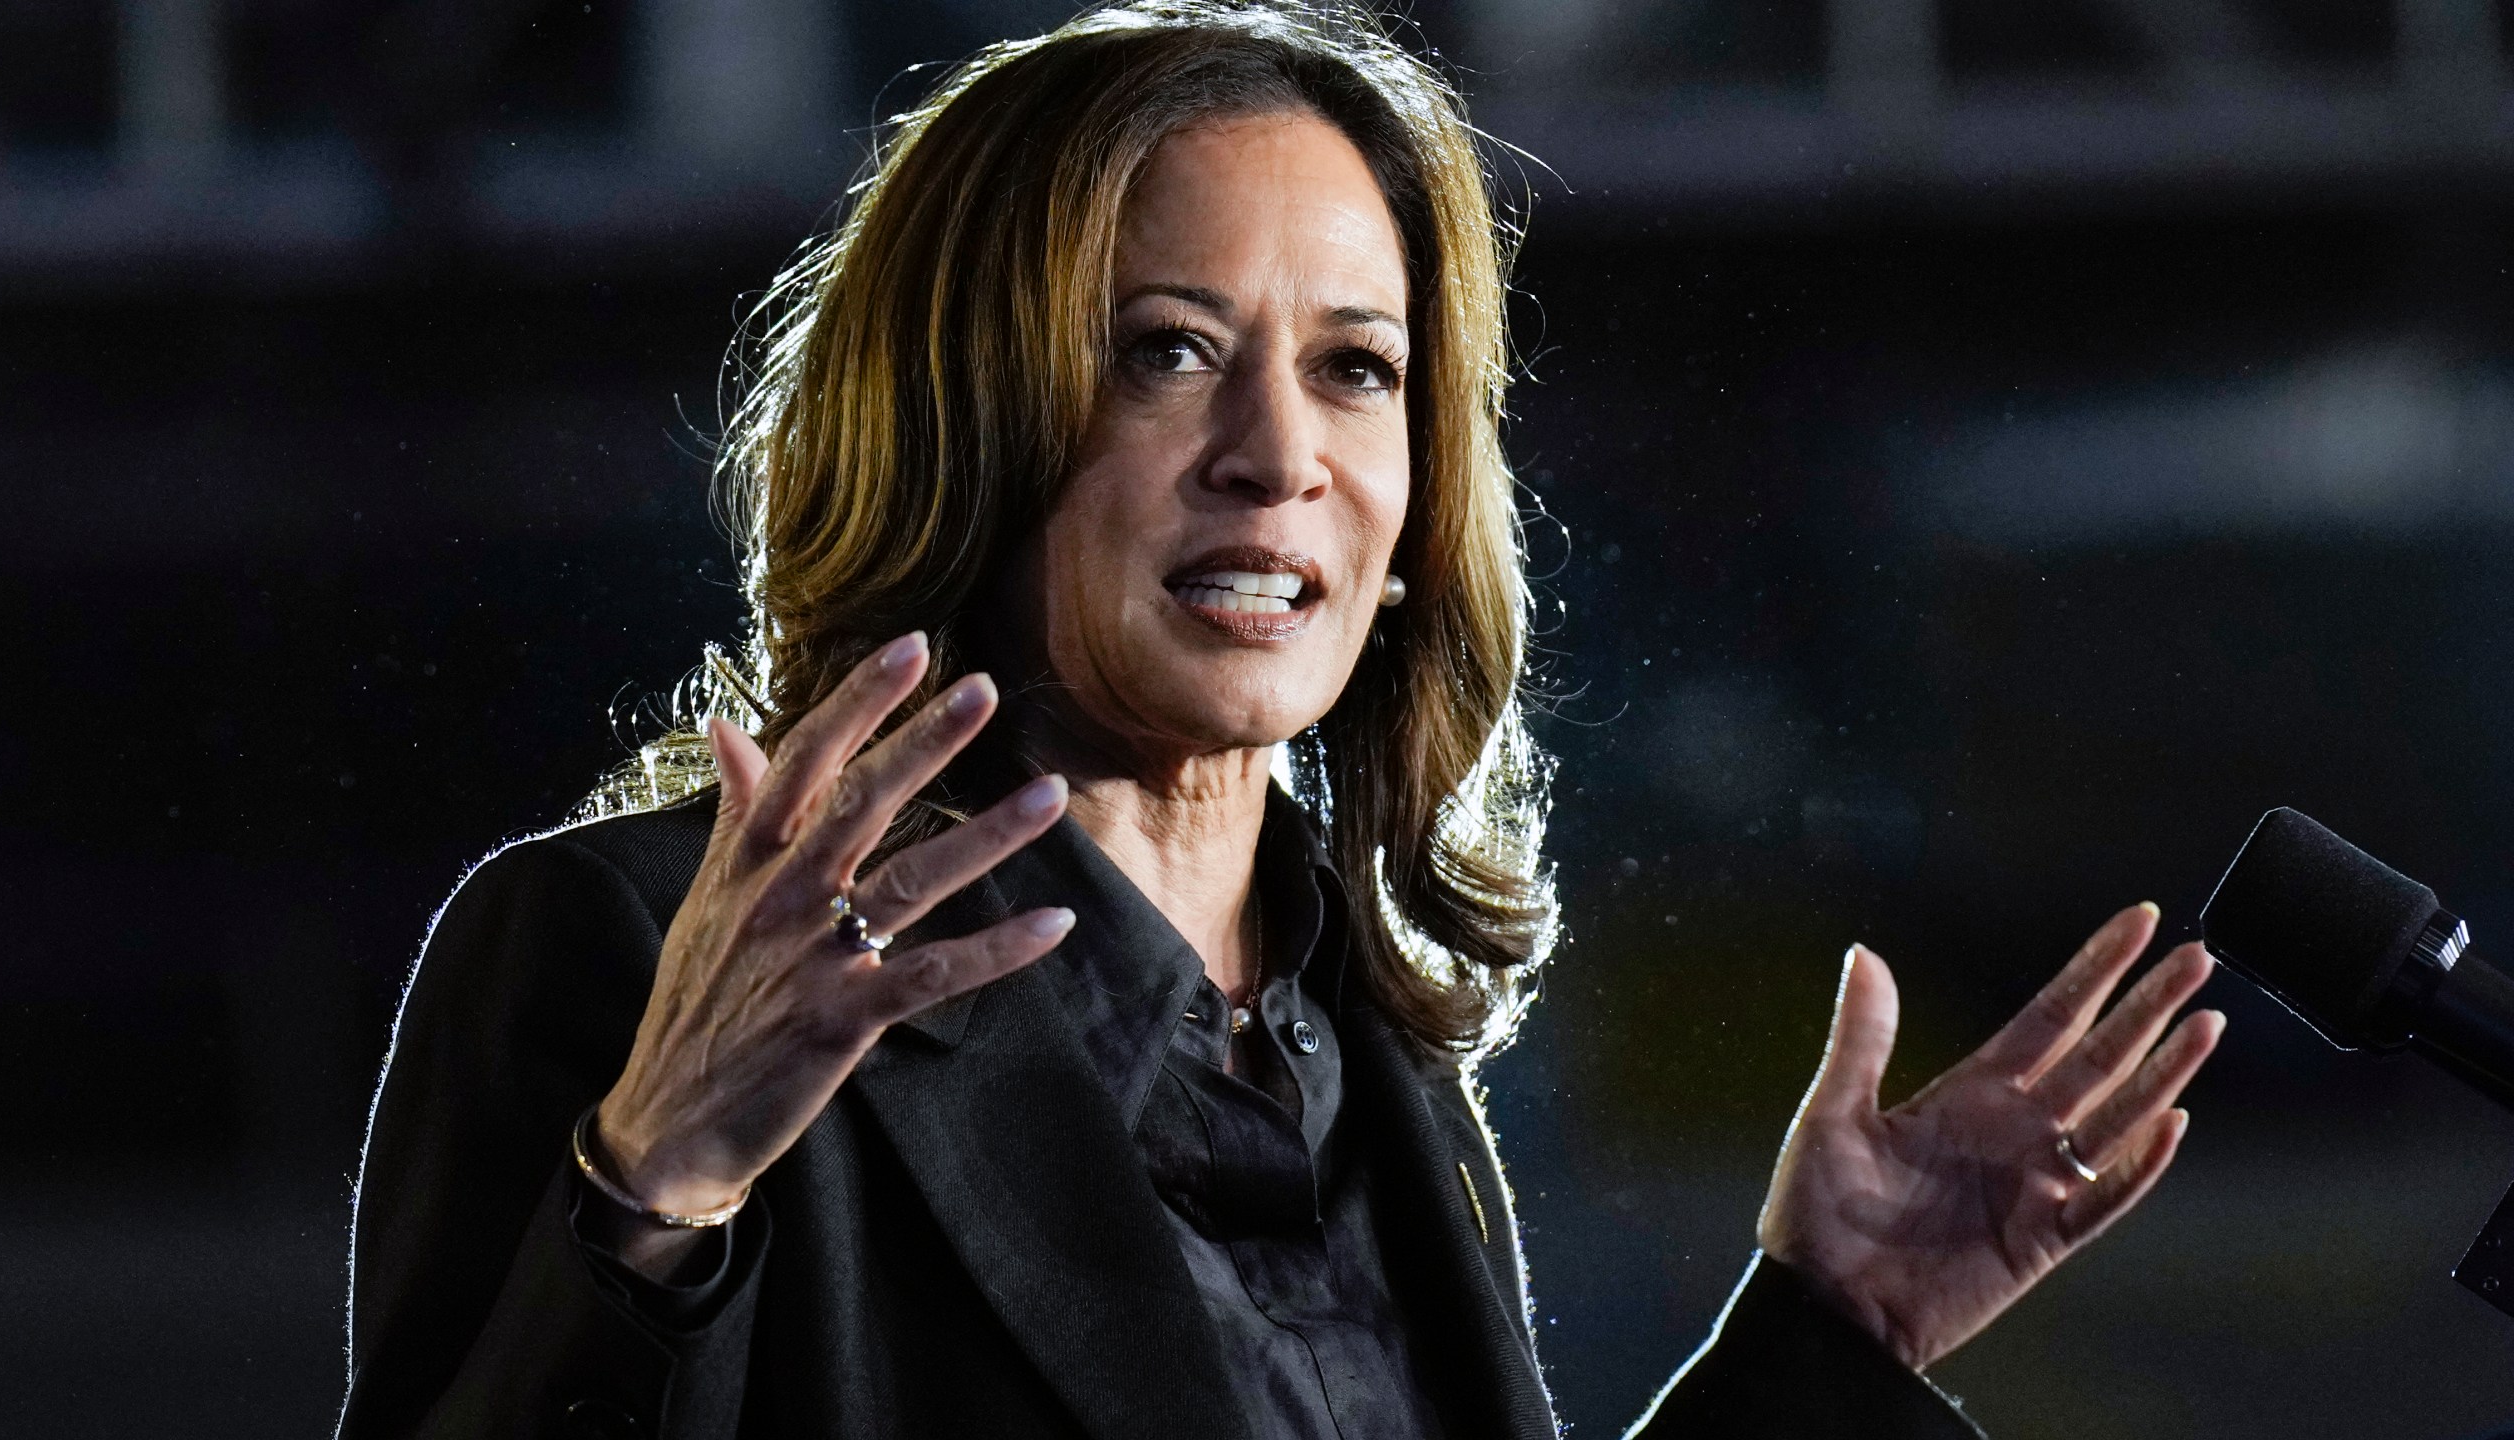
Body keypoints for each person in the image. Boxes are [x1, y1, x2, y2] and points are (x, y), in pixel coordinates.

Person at [337, 5, 2225, 1437]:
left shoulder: (1374, 1051)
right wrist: (651, 1196)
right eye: (1165, 352)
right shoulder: (628, 952)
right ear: (964, 422)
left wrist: (1829, 1338)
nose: (1277, 455)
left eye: (1356, 369)